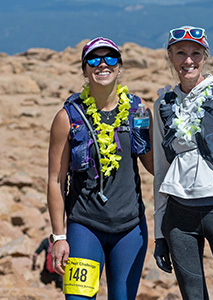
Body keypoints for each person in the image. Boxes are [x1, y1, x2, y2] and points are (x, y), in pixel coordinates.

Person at [47, 37, 153, 300]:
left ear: (119, 66)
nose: (102, 64)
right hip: (85, 227)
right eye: (93, 59)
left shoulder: (138, 111)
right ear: (84, 70)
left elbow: (153, 166)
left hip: (130, 229)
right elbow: (55, 181)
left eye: (110, 58)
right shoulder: (67, 117)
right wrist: (59, 236)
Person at [153, 26, 213, 299]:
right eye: (181, 53)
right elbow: (161, 172)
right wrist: (159, 234)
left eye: (195, 53)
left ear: (205, 57)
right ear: (171, 57)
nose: (188, 60)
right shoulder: (162, 103)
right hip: (178, 217)